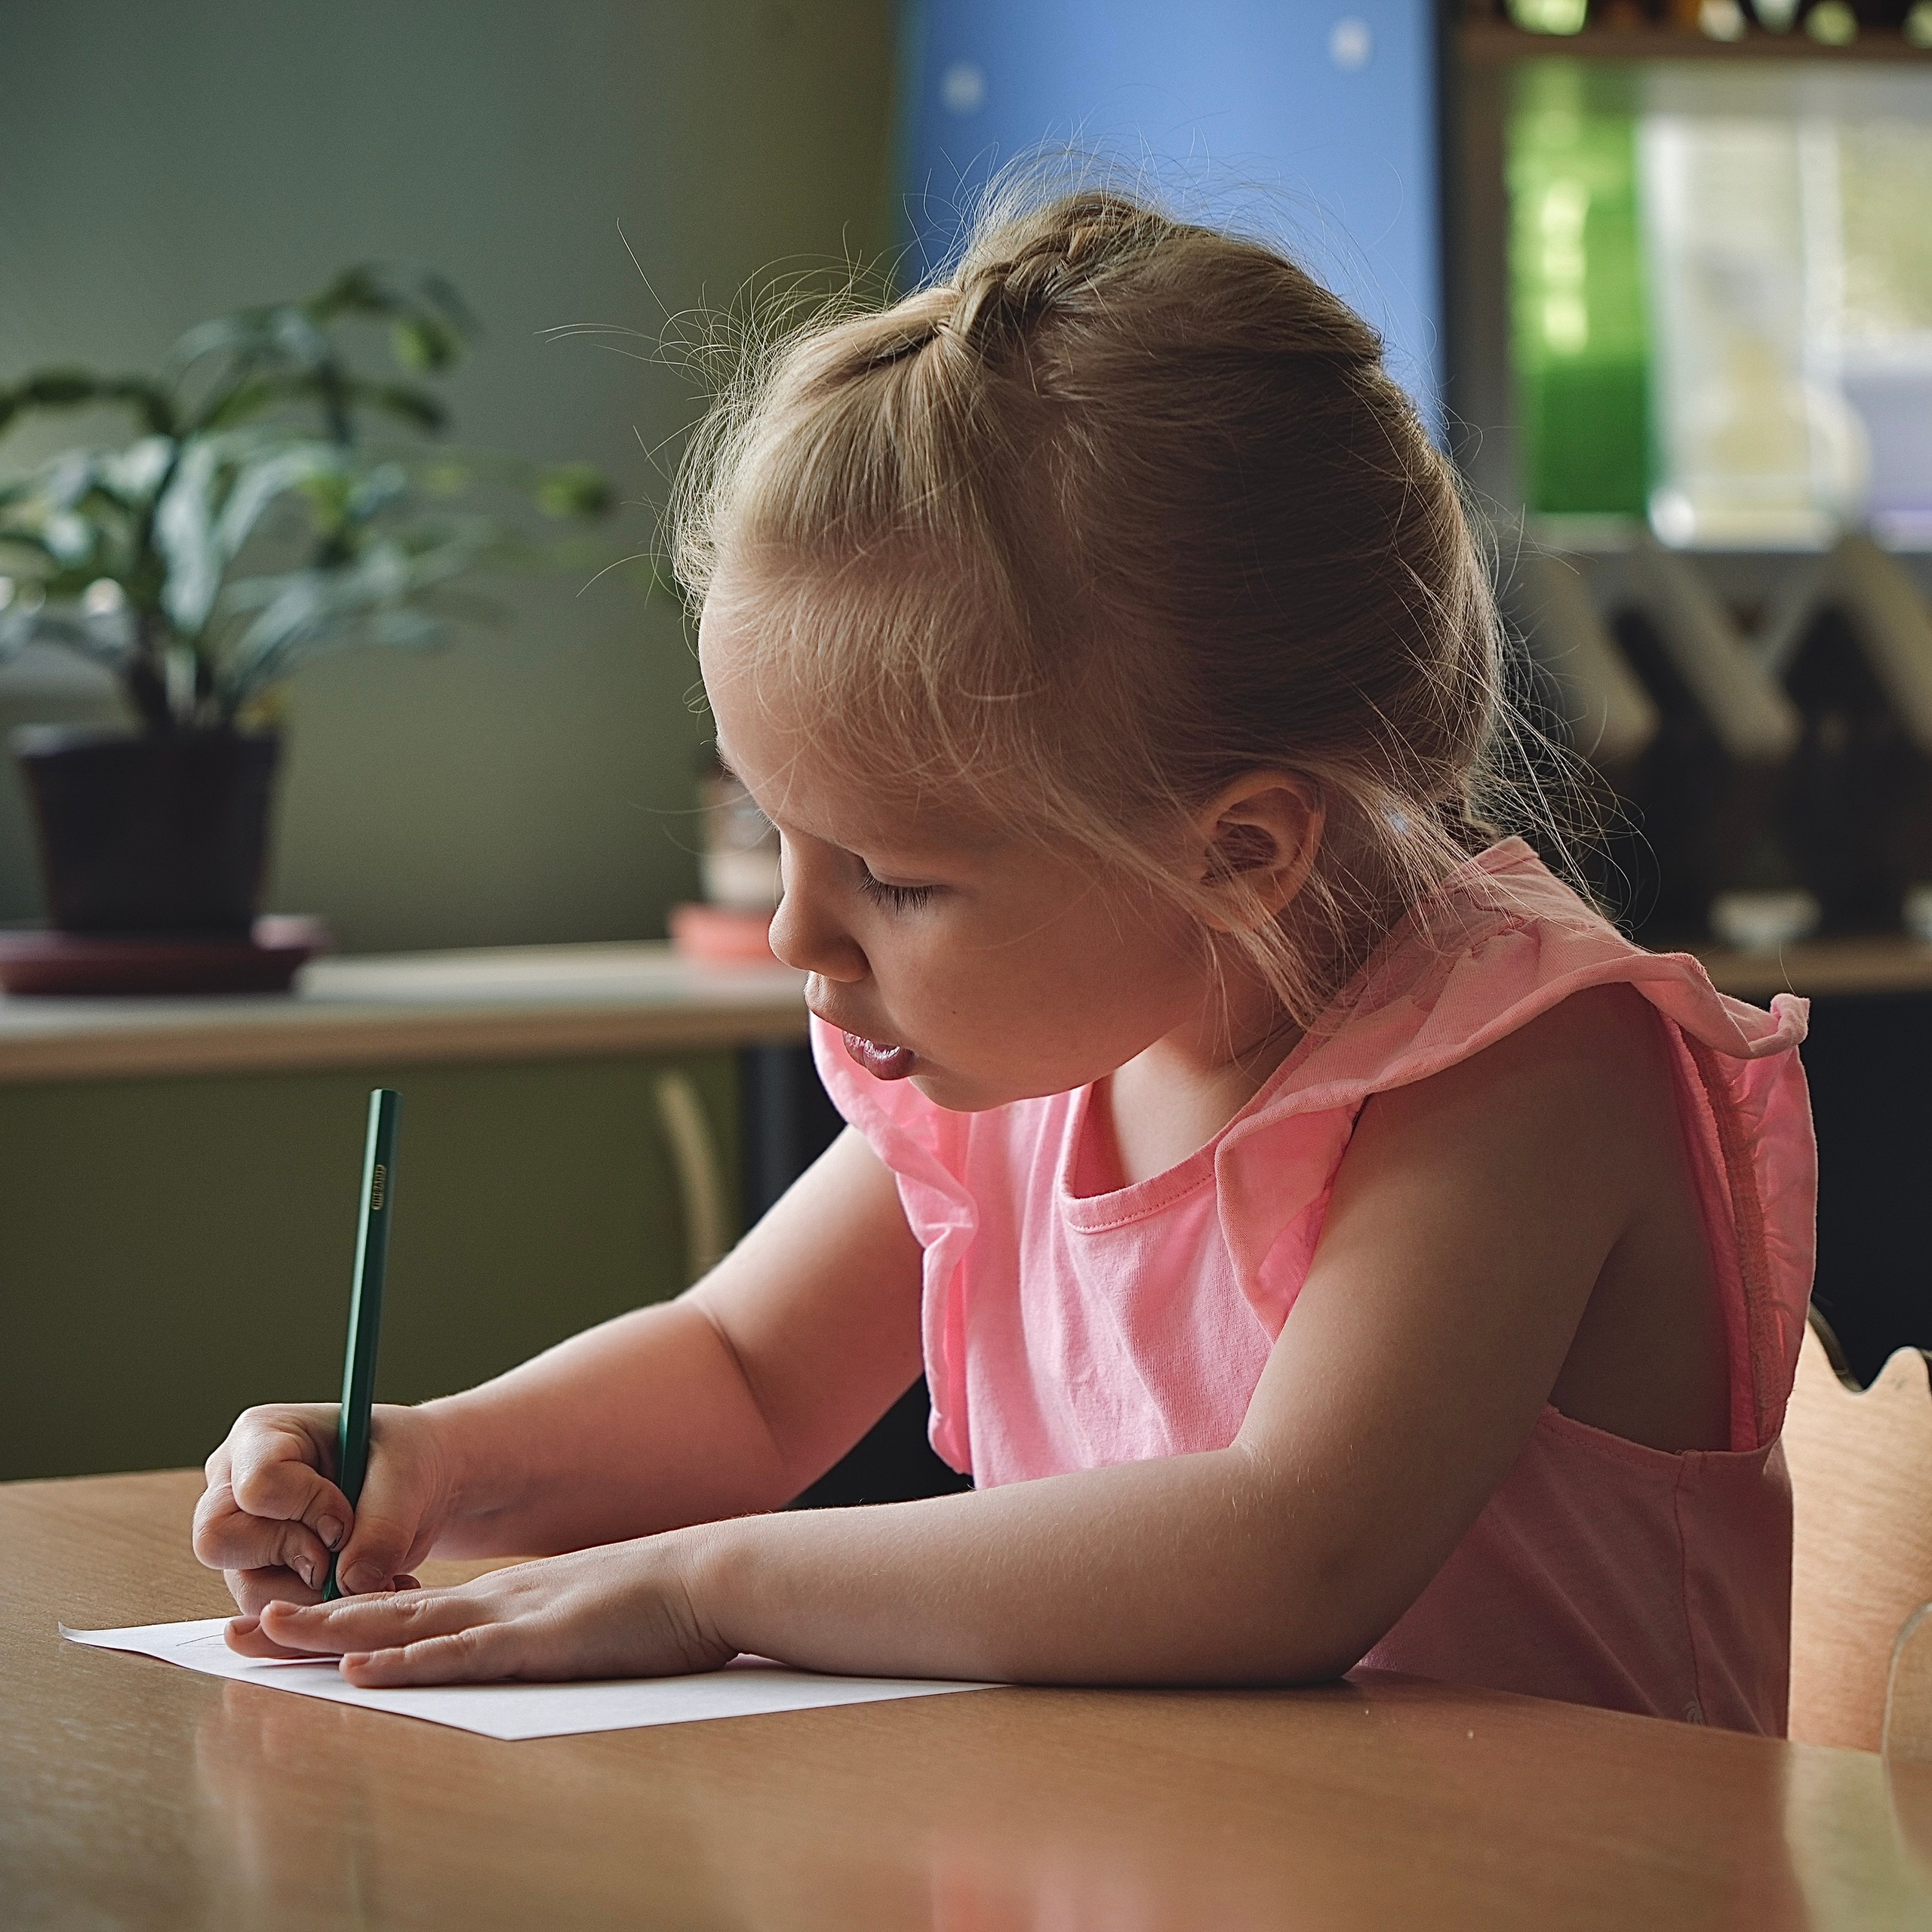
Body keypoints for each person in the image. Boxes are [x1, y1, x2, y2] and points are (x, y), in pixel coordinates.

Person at [193, 184, 1814, 1732]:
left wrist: (707, 1580)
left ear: (1236, 850)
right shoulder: (1034, 1051)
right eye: (775, 834)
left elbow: (1286, 1549)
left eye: (892, 876)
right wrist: (432, 1460)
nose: (791, 934)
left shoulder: (1522, 1067)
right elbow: (745, 1372)